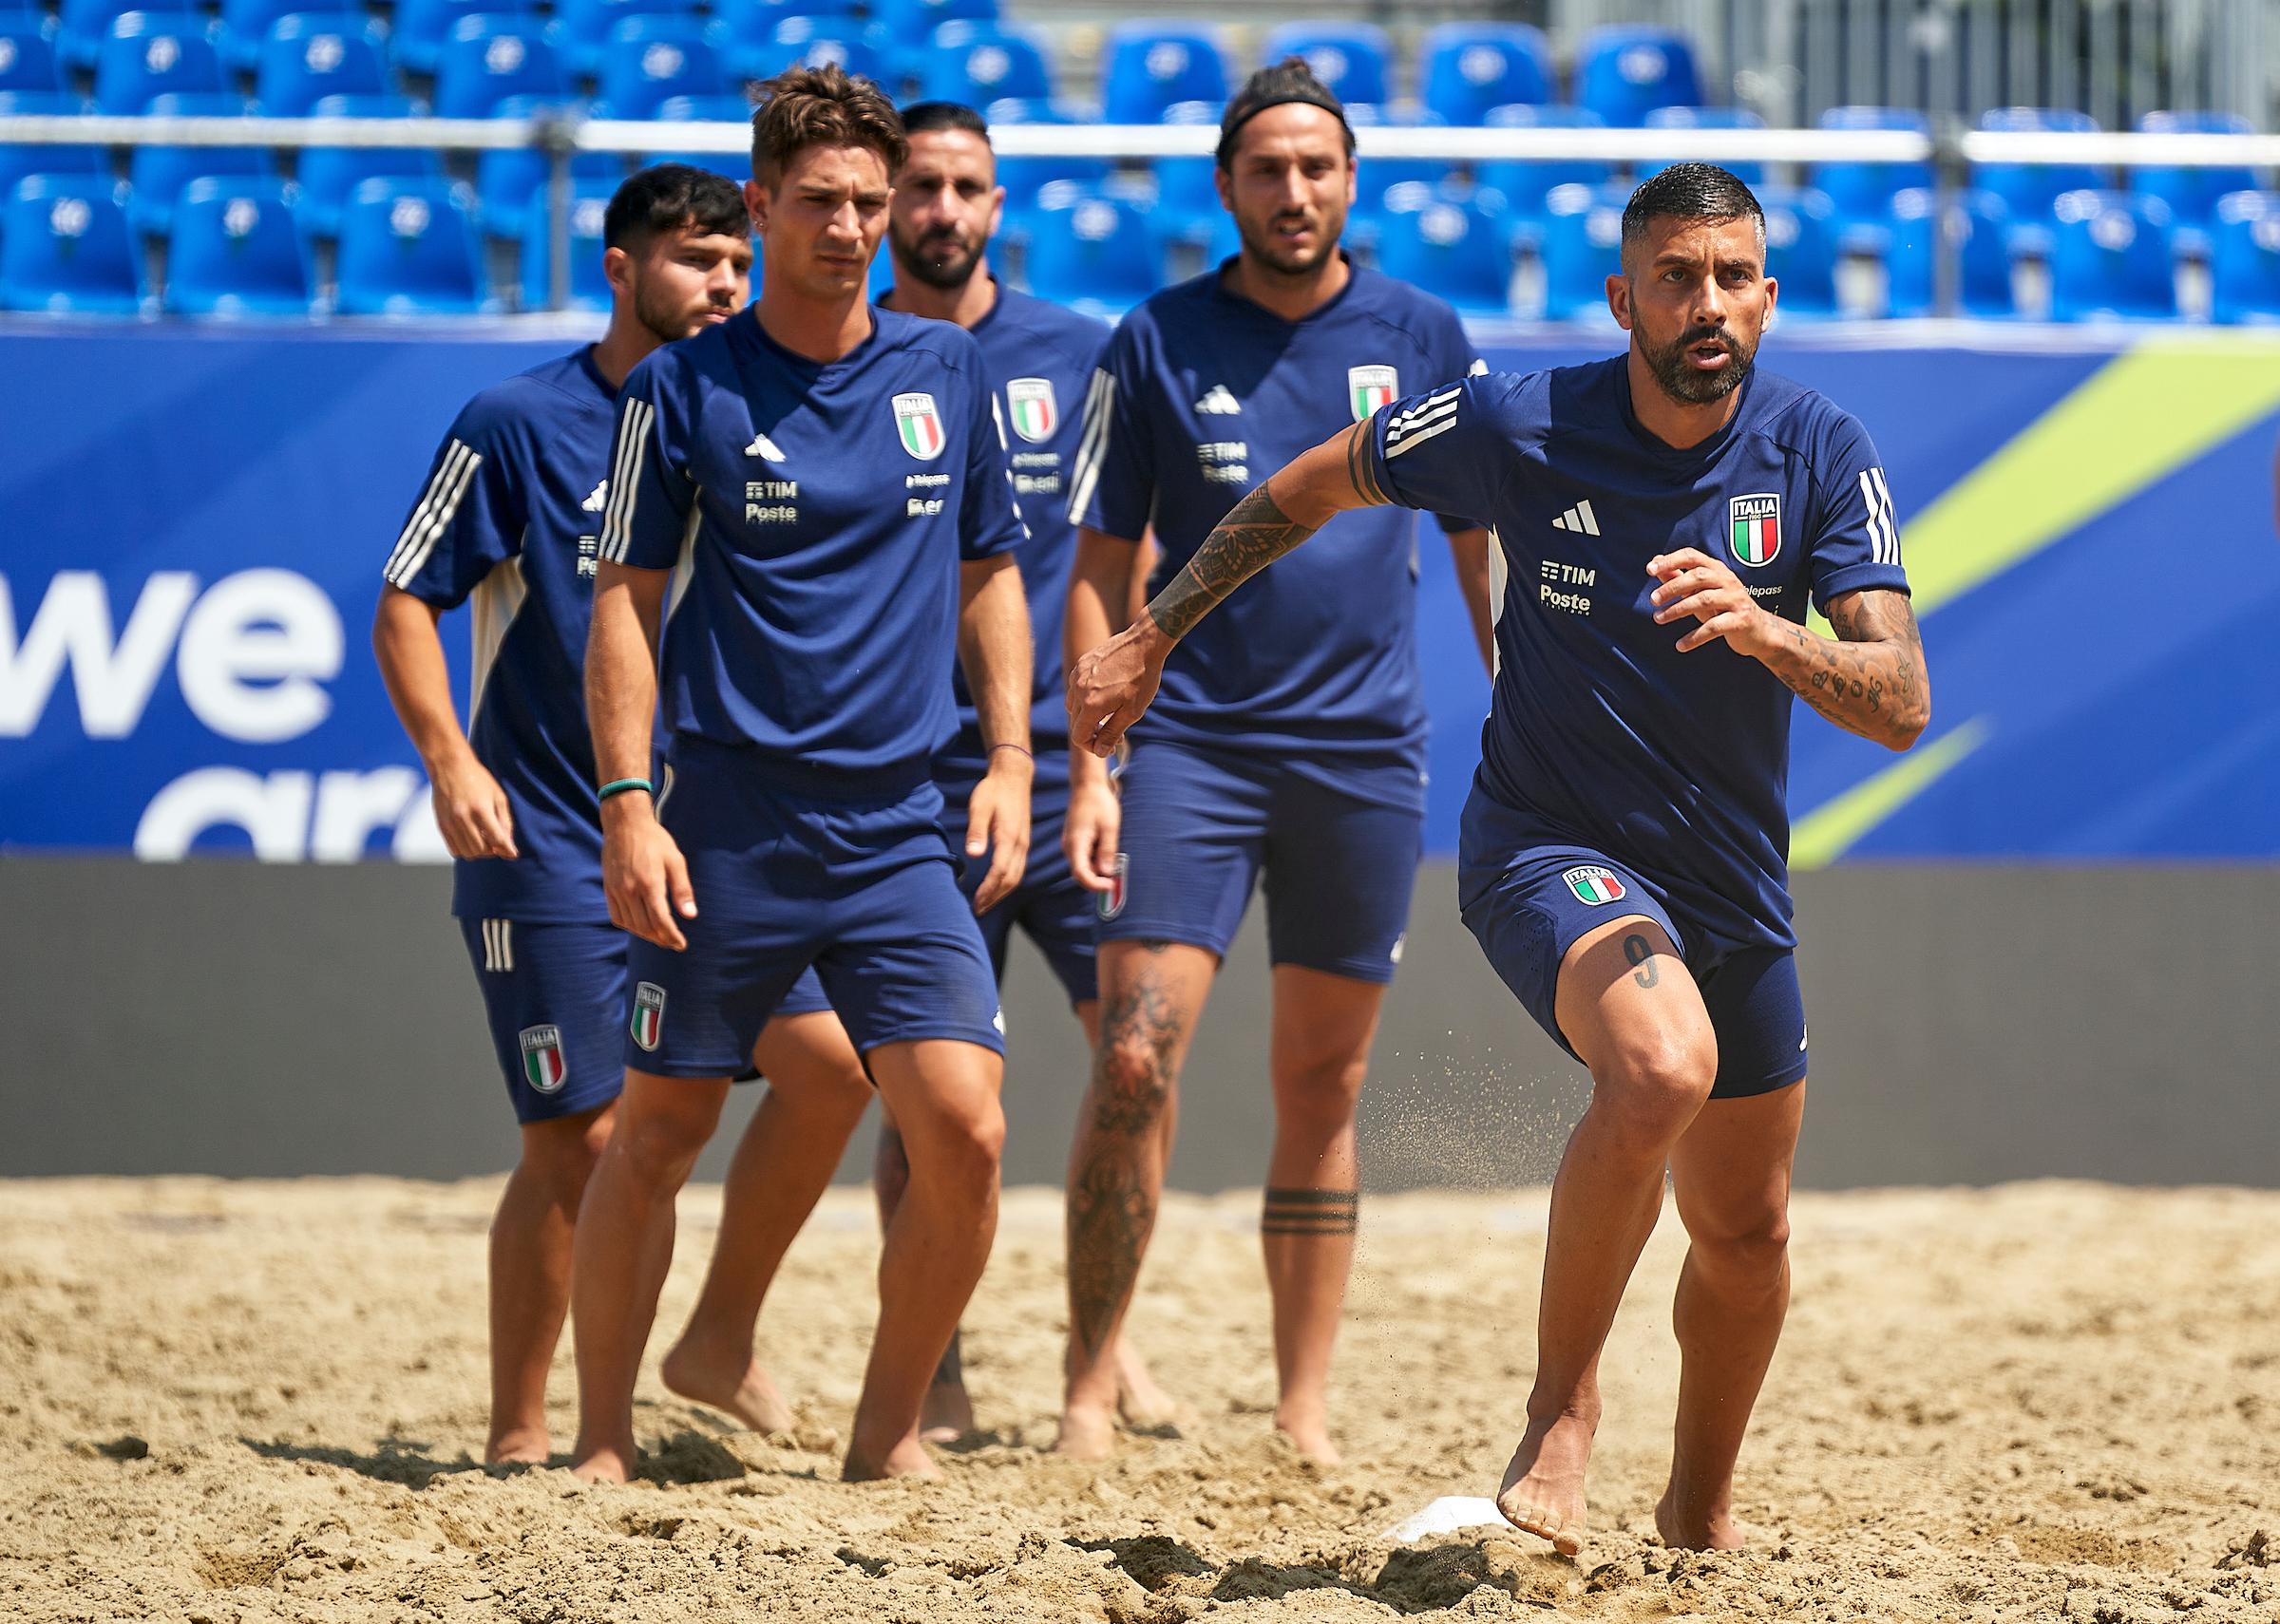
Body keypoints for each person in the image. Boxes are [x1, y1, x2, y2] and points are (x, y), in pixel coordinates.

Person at [1069, 163, 1930, 1553]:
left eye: (1730, 279)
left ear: (1768, 297)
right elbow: (1308, 485)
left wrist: (1774, 632)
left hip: (1729, 883)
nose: (1704, 305)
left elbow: (1900, 701)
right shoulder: (1514, 416)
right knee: (1656, 1066)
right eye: (1673, 276)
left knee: (1750, 1232)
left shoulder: (1820, 447)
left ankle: (1695, 1511)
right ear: (1622, 296)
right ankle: (1563, 1411)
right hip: (1551, 844)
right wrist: (1155, 630)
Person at [570, 66, 1035, 1485]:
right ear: (762, 207)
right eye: (822, 201)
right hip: (726, 821)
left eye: (870, 203)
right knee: (656, 1127)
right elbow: (624, 603)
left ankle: (885, 1430)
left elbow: (991, 571)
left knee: (965, 1125)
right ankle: (598, 1437)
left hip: (900, 825)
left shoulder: (948, 371)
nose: (851, 227)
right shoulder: (681, 385)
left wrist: (1012, 754)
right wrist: (629, 804)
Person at [370, 164, 852, 1466]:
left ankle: (720, 1334)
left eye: (735, 264)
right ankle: (532, 1426)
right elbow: (408, 597)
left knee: (832, 1076)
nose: (725, 285)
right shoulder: (515, 421)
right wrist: (445, 757)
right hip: (547, 836)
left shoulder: (753, 407)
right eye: (696, 260)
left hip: (712, 841)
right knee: (584, 1136)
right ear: (621, 268)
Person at [1054, 59, 1495, 1463]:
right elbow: (1100, 566)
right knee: (1133, 1055)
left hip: (1364, 755)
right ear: (1227, 187)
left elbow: (1482, 537)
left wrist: (1519, 688)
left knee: (1325, 1089)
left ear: (1351, 180)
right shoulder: (1156, 337)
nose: (1294, 191)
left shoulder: (1424, 332)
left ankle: (1301, 1407)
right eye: (1267, 169)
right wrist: (1090, 755)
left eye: (1318, 166)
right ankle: (1087, 1379)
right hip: (1191, 749)